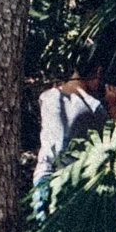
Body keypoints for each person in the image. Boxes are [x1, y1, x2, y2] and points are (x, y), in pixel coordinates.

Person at [34, 57, 105, 193]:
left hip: (44, 173)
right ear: (98, 72)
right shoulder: (94, 107)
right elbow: (112, 139)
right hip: (71, 181)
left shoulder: (46, 96)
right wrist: (113, 107)